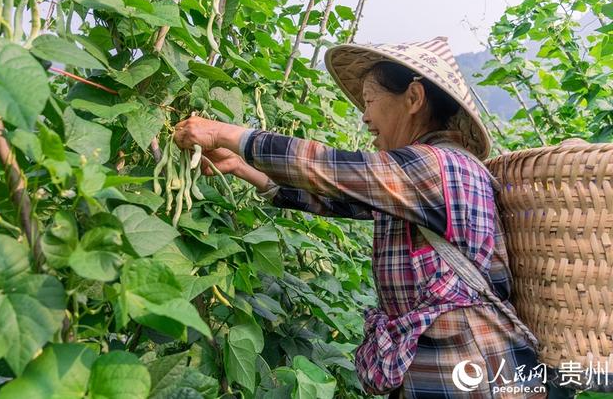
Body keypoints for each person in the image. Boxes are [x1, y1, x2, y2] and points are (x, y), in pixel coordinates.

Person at [173, 37, 545, 398]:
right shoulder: (416, 176)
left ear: (413, 98)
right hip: (444, 363)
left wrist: (223, 133)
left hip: (466, 366)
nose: (365, 116)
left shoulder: (438, 166)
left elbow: (329, 168)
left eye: (370, 101)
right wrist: (242, 168)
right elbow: (339, 198)